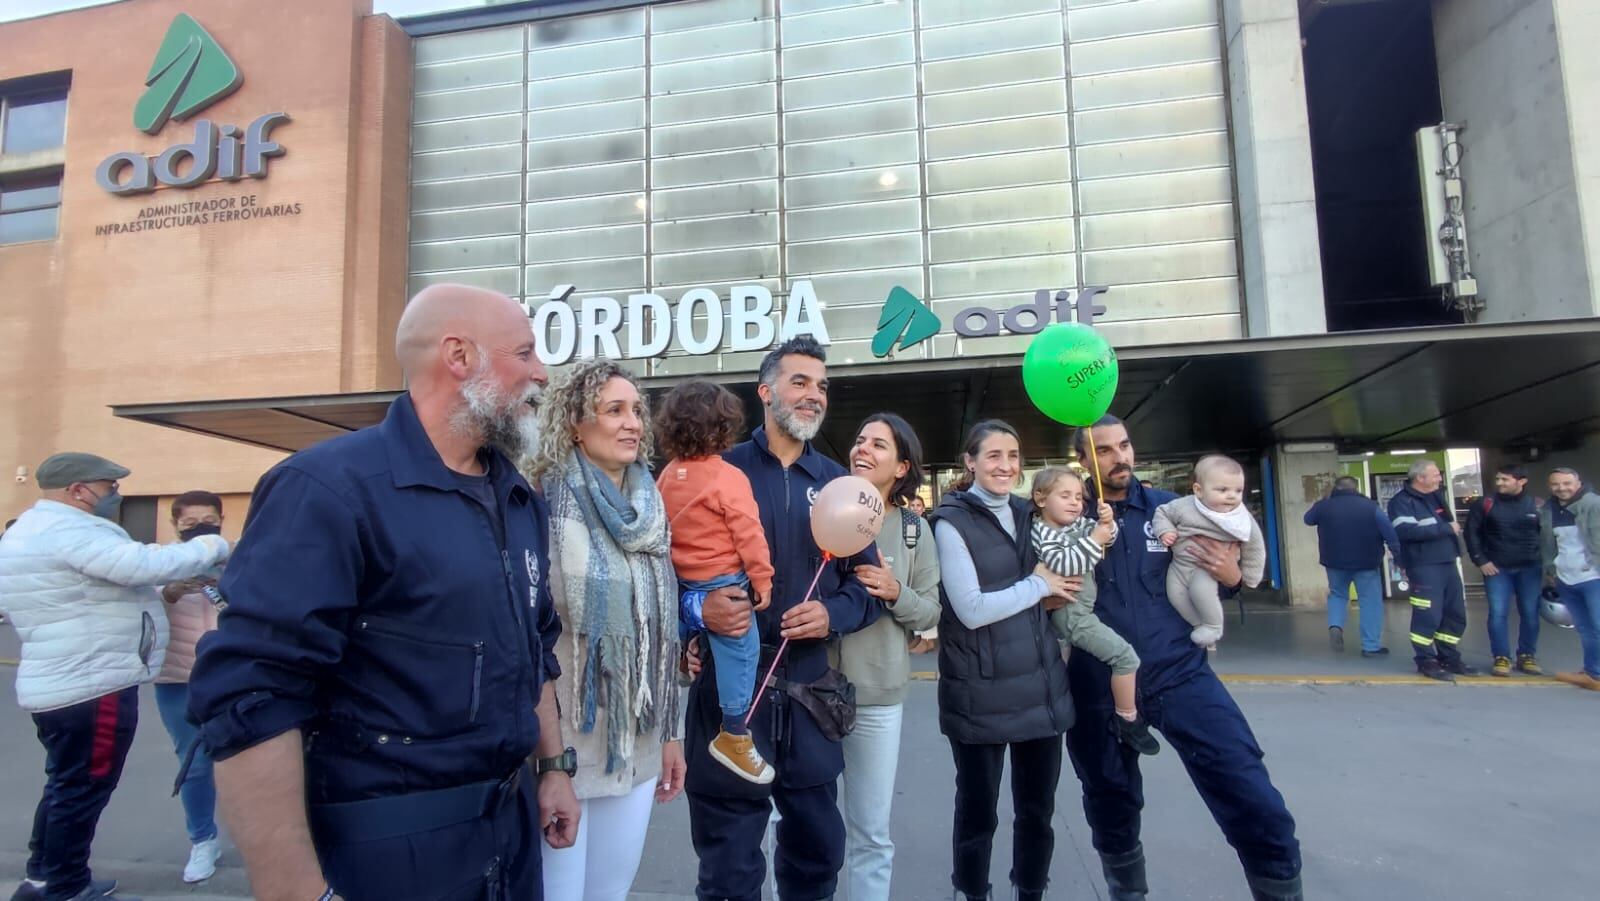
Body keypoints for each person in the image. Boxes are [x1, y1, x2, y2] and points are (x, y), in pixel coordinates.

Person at [187, 284, 578, 901]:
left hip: (511, 835)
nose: (543, 373)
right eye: (526, 353)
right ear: (459, 356)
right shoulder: (328, 488)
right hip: (389, 852)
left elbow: (538, 649)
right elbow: (252, 694)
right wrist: (294, 890)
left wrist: (553, 770)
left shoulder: (517, 497)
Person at [1070, 416, 1302, 901]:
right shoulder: (1065, 515)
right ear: (1084, 459)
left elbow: (1228, 572)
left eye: (1125, 446)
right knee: (1111, 803)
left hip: (1180, 674)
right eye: (1105, 450)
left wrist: (1234, 576)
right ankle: (1126, 892)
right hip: (1097, 683)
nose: (1119, 458)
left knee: (1249, 791)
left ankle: (1280, 887)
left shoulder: (1173, 509)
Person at [683, 336, 881, 901]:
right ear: (765, 392)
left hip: (811, 696)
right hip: (729, 698)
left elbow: (866, 589)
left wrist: (831, 613)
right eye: (800, 382)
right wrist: (693, 627)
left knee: (818, 857)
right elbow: (675, 572)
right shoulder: (718, 470)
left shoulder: (842, 484)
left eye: (822, 386)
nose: (814, 396)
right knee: (727, 869)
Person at [0, 453, 231, 901]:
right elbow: (139, 566)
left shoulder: (30, 530)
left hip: (64, 680)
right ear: (78, 491)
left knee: (65, 783)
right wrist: (214, 546)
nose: (117, 495)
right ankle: (66, 886)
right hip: (92, 682)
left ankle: (44, 876)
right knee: (84, 787)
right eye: (110, 486)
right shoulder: (68, 530)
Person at [526, 360, 687, 901]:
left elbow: (660, 637)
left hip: (633, 740)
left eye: (636, 410)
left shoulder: (651, 509)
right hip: (562, 741)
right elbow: (528, 636)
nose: (632, 423)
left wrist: (669, 733)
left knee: (610, 894)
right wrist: (549, 758)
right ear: (574, 422)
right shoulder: (541, 504)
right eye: (614, 410)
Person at [931, 420, 1075, 901]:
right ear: (969, 462)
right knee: (978, 812)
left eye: (1013, 456)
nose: (1006, 466)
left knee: (1038, 811)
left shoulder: (1030, 512)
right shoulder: (950, 522)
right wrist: (1038, 586)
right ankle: (971, 891)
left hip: (1041, 688)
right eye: (993, 456)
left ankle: (1030, 890)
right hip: (979, 691)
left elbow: (1071, 560)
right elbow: (970, 610)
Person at [834, 412, 942, 901]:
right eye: (860, 440)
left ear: (901, 467)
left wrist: (896, 591)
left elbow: (929, 610)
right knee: (792, 822)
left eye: (879, 445)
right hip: (806, 690)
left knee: (871, 833)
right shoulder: (820, 508)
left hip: (877, 697)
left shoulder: (916, 529)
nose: (863, 449)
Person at [654, 379, 775, 785]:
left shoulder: (668, 476)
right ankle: (734, 732)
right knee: (741, 650)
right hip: (724, 581)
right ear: (723, 428)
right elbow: (749, 533)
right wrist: (762, 579)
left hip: (680, 585)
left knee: (683, 654)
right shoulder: (728, 477)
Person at [1030, 466, 1157, 755]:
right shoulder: (1043, 532)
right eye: (1065, 496)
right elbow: (1065, 563)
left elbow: (1106, 538)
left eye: (1079, 497)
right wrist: (1096, 539)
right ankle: (1128, 718)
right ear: (1040, 498)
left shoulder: (1074, 525)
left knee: (1061, 668)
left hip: (1080, 610)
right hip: (1072, 614)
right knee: (1125, 657)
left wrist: (1106, 525)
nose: (1075, 502)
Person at [154, 491, 230, 883]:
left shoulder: (238, 560)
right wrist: (172, 590)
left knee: (254, 759)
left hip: (232, 675)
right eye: (189, 522)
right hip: (177, 678)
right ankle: (203, 840)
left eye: (208, 519)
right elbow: (143, 603)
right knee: (196, 764)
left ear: (221, 518)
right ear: (175, 524)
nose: (201, 526)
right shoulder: (159, 561)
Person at [1151, 456, 1267, 648]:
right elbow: (1162, 514)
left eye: (1238, 491)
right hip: (1179, 564)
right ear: (1198, 490)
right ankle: (1198, 624)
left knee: (1201, 592)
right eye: (1222, 490)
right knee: (1175, 594)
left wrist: (1250, 576)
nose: (1231, 496)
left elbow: (1255, 546)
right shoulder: (1183, 506)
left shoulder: (1240, 517)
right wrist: (1166, 530)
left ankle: (1214, 626)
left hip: (1206, 569)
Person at [1387, 459, 1476, 681]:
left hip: (1447, 561)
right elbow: (1405, 531)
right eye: (1435, 474)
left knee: (1454, 613)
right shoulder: (1402, 501)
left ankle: (1449, 657)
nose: (1439, 478)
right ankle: (1426, 660)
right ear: (1420, 478)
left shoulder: (1435, 496)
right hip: (1424, 565)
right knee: (1428, 614)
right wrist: (1445, 528)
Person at [1303, 475, 1402, 656]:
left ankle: (1335, 626)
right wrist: (1399, 557)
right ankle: (1371, 646)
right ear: (1356, 488)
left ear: (1336, 488)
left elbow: (1308, 519)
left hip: (1334, 562)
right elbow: (1389, 533)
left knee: (1338, 595)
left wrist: (1324, 500)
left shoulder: (1324, 506)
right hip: (1367, 563)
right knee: (1369, 601)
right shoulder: (1371, 507)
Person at [1465, 464, 1545, 676]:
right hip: (1497, 569)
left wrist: (1550, 566)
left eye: (1505, 480)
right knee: (1498, 613)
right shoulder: (1486, 503)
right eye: (1498, 479)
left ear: (1521, 481)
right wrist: (1480, 560)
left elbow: (1547, 537)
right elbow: (1471, 533)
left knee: (1530, 613)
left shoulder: (1537, 505)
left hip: (1530, 568)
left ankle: (1527, 655)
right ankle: (1501, 657)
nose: (1499, 483)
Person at [1540, 467, 1600, 691]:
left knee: (1597, 626)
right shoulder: (1549, 509)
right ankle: (1593, 671)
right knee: (1586, 628)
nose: (1561, 488)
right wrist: (1552, 571)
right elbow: (1548, 544)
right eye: (1556, 484)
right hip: (1566, 578)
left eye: (1566, 483)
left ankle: (1594, 673)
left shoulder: (1594, 504)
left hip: (1593, 577)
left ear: (1578, 483)